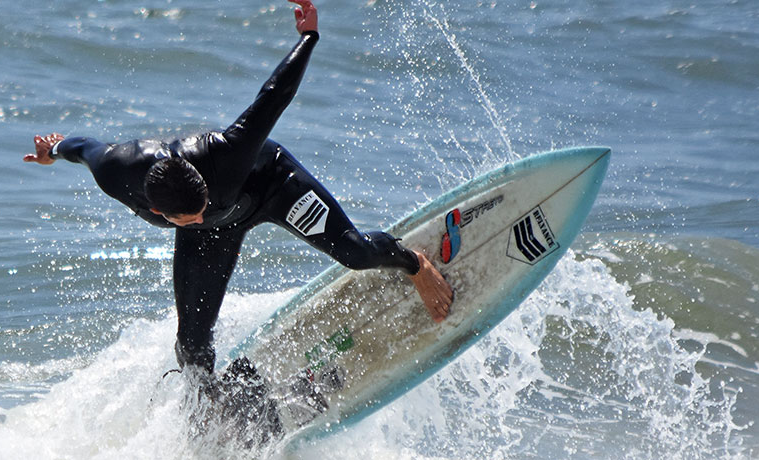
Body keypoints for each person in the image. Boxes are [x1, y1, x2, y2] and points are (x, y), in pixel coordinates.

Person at [24, 0, 452, 377]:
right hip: (216, 235)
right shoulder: (116, 169)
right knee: (191, 347)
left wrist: (309, 36)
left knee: (356, 253)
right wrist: (54, 149)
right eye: (186, 218)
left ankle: (413, 263)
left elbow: (274, 96)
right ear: (157, 212)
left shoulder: (225, 155)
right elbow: (83, 148)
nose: (198, 216)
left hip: (274, 188)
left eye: (202, 206)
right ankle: (209, 407)